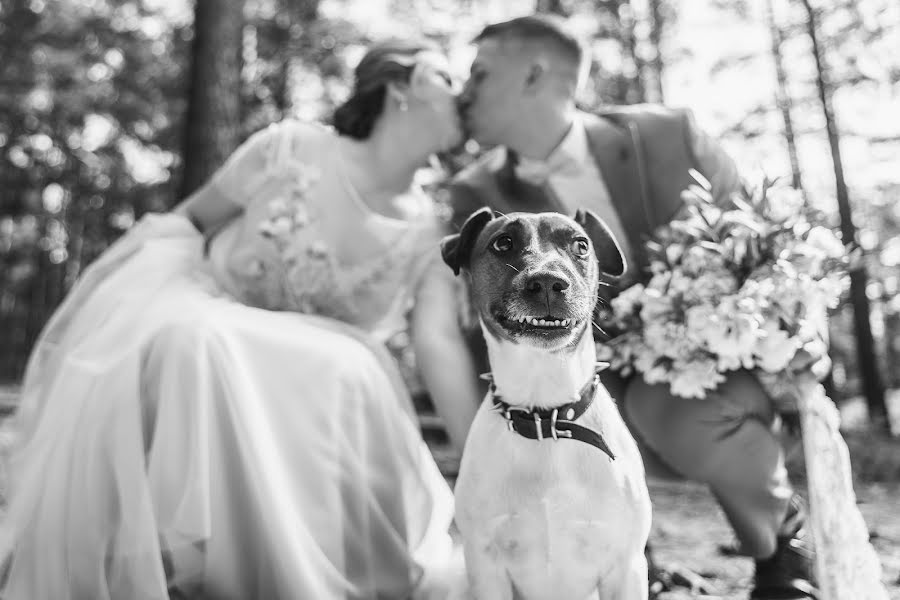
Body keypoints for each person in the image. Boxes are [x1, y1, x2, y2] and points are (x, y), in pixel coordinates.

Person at [0, 39, 479, 600]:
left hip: (320, 378)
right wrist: (148, 301)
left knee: (349, 367)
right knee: (195, 337)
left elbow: (438, 342)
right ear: (400, 88)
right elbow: (185, 225)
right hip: (209, 318)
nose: (464, 95)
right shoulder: (289, 148)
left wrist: (484, 455)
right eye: (447, 78)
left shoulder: (429, 229)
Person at [447, 14, 818, 600]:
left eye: (478, 73)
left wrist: (794, 331)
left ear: (534, 75)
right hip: (561, 380)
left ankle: (780, 546)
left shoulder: (669, 136)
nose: (462, 91)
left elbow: (768, 247)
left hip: (701, 373)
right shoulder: (475, 193)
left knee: (671, 408)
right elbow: (480, 319)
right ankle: (621, 557)